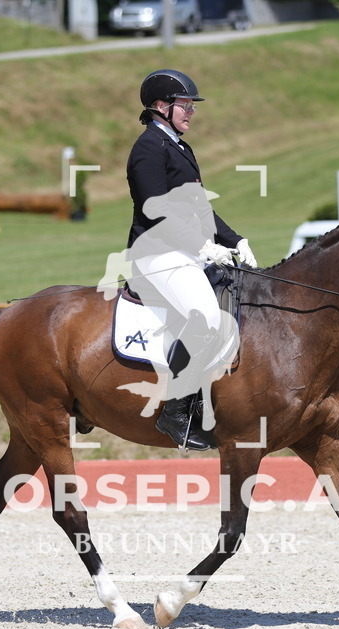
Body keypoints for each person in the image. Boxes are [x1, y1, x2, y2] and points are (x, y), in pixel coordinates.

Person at [124, 68, 257, 451]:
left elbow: (199, 210)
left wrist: (234, 239)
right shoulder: (148, 148)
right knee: (206, 315)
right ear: (161, 107)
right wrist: (201, 248)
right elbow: (154, 211)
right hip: (156, 254)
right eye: (185, 105)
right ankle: (176, 409)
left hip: (186, 253)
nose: (191, 112)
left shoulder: (179, 147)